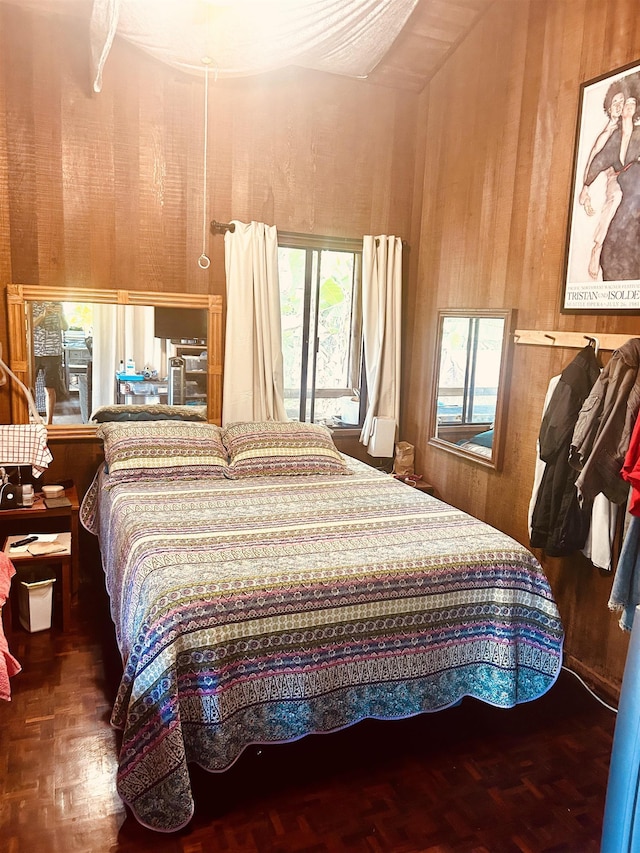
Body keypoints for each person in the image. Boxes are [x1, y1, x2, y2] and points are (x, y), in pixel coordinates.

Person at [32, 301, 68, 423]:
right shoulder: (29, 304)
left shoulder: (56, 304)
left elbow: (65, 327)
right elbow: (27, 325)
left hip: (53, 352)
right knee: (29, 386)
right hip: (33, 351)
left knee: (50, 388)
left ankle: (50, 422)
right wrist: (43, 314)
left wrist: (61, 314)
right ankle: (30, 417)